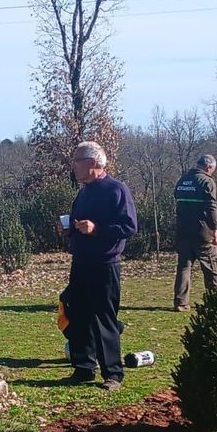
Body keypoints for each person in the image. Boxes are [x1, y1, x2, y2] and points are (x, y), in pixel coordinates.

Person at [63, 140, 138, 390]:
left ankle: (113, 374)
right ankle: (84, 368)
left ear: (93, 163)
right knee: (78, 314)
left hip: (105, 264)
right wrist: (68, 229)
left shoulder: (116, 189)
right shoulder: (83, 191)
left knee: (104, 318)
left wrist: (97, 230)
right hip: (81, 262)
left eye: (77, 161)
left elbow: (129, 226)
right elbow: (78, 222)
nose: (73, 166)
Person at [173, 153, 217, 310]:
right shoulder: (207, 181)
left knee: (184, 267)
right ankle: (216, 301)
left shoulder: (182, 180)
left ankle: (180, 303)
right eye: (212, 169)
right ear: (209, 167)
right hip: (202, 232)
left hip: (182, 230)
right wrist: (215, 229)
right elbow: (211, 207)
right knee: (211, 266)